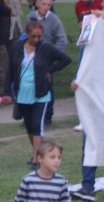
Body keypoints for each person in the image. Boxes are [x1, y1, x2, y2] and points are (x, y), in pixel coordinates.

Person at [8, 21, 72, 166]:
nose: (37, 39)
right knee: (29, 126)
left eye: (39, 36)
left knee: (37, 124)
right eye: (33, 36)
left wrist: (49, 69)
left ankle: (36, 159)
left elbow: (65, 60)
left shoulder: (45, 48)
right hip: (23, 92)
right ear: (27, 35)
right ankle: (38, 152)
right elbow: (10, 69)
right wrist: (7, 90)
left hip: (41, 92)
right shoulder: (17, 47)